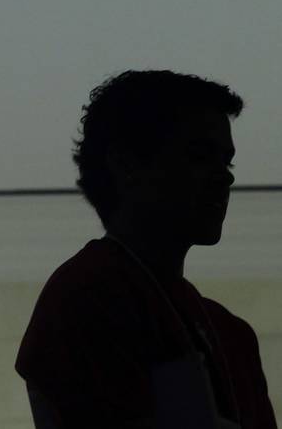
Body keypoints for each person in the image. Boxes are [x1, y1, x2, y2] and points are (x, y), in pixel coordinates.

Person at [15, 70, 277, 429]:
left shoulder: (232, 335)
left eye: (226, 161)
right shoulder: (88, 295)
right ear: (126, 165)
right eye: (200, 156)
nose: (225, 176)